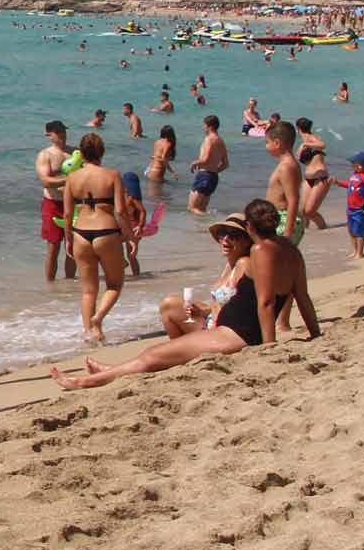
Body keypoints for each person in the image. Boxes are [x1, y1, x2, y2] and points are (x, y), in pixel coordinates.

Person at [51, 214, 260, 389]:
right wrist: (202, 310)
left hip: (228, 334)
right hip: (213, 324)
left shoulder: (246, 263)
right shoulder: (230, 264)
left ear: (247, 239)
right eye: (223, 234)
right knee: (171, 304)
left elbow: (265, 295)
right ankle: (172, 360)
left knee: (153, 353)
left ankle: (85, 382)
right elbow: (231, 304)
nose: (225, 239)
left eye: (233, 235)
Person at [63, 132, 127, 344]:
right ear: (102, 152)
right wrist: (129, 236)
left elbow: (66, 214)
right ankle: (98, 318)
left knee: (88, 291)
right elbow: (121, 210)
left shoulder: (72, 178)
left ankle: (89, 333)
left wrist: (68, 240)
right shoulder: (112, 175)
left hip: (80, 233)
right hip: (106, 232)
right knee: (115, 285)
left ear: (80, 154)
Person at [242, 196, 320, 340]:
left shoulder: (260, 250)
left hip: (241, 330)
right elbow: (302, 296)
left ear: (249, 226)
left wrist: (269, 344)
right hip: (246, 329)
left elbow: (266, 301)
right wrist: (315, 333)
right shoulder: (290, 247)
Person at [36, 120, 73, 282]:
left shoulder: (75, 153)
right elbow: (45, 181)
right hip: (53, 203)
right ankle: (50, 284)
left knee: (73, 245)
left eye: (63, 131)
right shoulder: (46, 155)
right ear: (49, 135)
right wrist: (69, 180)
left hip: (72, 203)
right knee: (53, 245)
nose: (62, 135)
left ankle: (71, 282)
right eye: (58, 133)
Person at [261, 119, 305, 244]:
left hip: (283, 220)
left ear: (277, 143)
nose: (266, 146)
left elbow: (293, 200)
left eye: (267, 142)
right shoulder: (289, 164)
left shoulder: (286, 167)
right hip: (279, 218)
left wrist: (287, 233)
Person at [295, 118, 333, 231]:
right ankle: (306, 233)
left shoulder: (311, 138)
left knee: (310, 211)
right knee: (302, 211)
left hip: (320, 178)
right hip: (308, 179)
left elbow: (322, 145)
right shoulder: (305, 140)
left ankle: (324, 229)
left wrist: (304, 145)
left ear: (298, 128)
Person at [187, 113, 229, 213]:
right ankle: (203, 228)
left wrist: (194, 162)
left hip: (204, 175)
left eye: (204, 125)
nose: (203, 128)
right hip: (213, 177)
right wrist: (214, 171)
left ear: (210, 126)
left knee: (192, 208)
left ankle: (209, 221)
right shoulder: (221, 141)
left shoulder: (209, 139)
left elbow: (205, 159)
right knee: (202, 209)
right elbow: (226, 164)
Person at [343, 152, 364, 259]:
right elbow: (348, 184)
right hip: (350, 209)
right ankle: (355, 250)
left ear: (361, 165)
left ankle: (359, 253)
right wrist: (337, 182)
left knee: (360, 232)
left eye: (353, 163)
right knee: (351, 230)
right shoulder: (354, 175)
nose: (351, 165)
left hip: (361, 210)